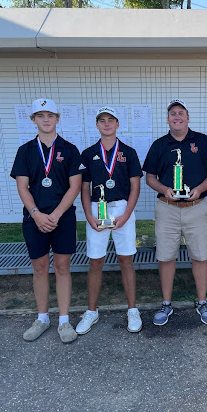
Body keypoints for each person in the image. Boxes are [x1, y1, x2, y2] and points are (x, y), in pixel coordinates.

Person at [11, 98, 84, 343]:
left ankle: (64, 321)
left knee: (63, 267)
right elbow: (22, 187)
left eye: (50, 115)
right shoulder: (25, 150)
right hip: (34, 218)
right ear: (33, 120)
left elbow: (75, 187)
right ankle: (42, 318)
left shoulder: (70, 149)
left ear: (57, 119)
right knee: (40, 268)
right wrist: (37, 214)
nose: (45, 119)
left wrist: (55, 215)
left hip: (62, 218)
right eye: (40, 115)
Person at [143, 99, 207, 326]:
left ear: (188, 118)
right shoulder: (159, 145)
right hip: (167, 209)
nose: (177, 117)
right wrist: (165, 190)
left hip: (196, 208)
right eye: (173, 114)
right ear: (167, 120)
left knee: (200, 256)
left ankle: (202, 302)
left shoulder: (202, 141)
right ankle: (166, 304)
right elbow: (150, 177)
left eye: (181, 113)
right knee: (166, 257)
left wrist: (200, 189)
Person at [76, 106, 143, 335]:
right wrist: (88, 215)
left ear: (117, 124)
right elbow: (84, 189)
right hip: (97, 210)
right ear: (97, 125)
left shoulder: (129, 152)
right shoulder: (88, 153)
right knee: (96, 261)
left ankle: (132, 309)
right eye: (102, 120)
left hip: (122, 208)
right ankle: (91, 312)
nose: (106, 124)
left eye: (111, 120)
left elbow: (136, 186)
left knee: (126, 260)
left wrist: (126, 214)